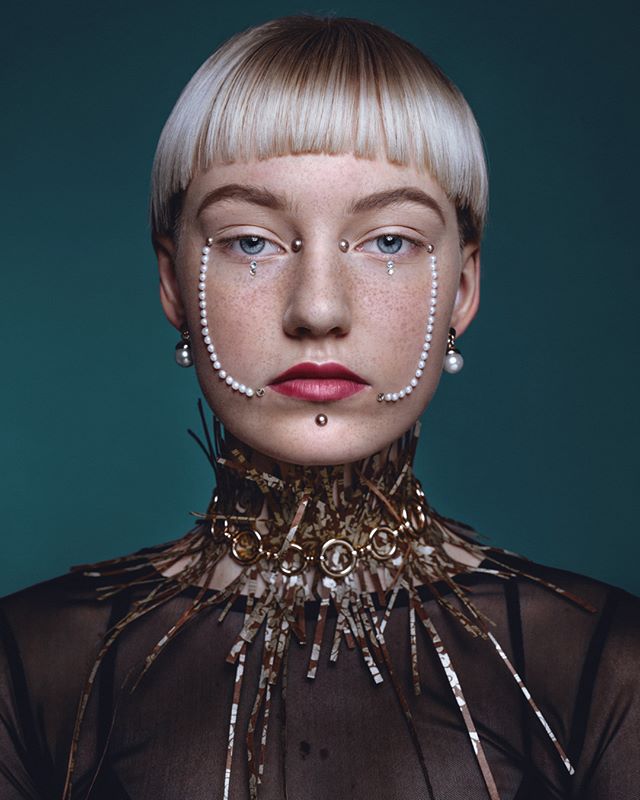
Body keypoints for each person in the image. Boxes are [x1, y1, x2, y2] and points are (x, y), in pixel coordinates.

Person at [1, 15, 638, 800]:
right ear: (173, 281)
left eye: (390, 242)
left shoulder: (599, 661)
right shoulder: (31, 665)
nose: (319, 309)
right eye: (252, 242)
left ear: (463, 289)